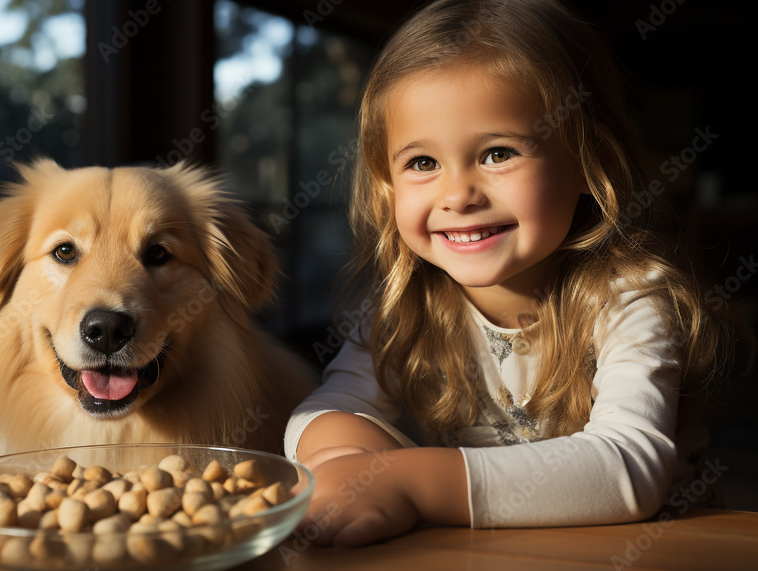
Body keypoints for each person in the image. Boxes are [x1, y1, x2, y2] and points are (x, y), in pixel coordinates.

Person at [285, 0, 744, 547]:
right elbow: (323, 411)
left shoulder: (630, 300)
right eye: (423, 163)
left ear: (586, 160)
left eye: (498, 153)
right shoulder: (402, 309)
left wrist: (409, 483)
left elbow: (629, 467)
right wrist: (342, 458)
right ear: (388, 185)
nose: (457, 196)